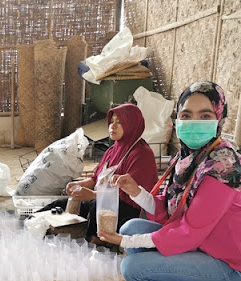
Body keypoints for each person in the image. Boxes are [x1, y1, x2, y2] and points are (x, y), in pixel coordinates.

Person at [98, 81, 241, 281]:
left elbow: (190, 232)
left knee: (132, 268)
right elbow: (171, 209)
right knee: (131, 227)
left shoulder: (222, 165)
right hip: (201, 248)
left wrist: (123, 243)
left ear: (219, 118)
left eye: (204, 115)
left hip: (228, 265)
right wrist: (137, 191)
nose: (194, 122)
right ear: (178, 118)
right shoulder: (187, 156)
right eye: (186, 115)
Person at [39, 103, 157, 242]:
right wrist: (78, 185)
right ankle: (32, 227)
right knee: (59, 205)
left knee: (95, 206)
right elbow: (96, 179)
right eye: (111, 121)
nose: (112, 126)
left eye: (119, 122)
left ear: (132, 124)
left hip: (126, 210)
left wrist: (93, 196)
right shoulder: (112, 150)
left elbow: (130, 197)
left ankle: (95, 244)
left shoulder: (141, 154)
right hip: (98, 200)